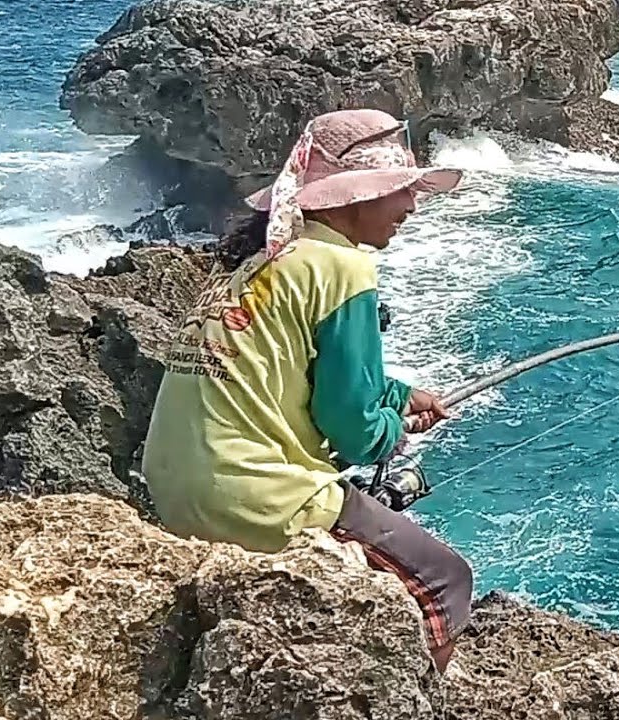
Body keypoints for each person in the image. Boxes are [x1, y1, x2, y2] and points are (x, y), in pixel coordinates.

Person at [141, 108, 472, 673]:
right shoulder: (343, 267)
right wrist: (391, 430)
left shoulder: (258, 262)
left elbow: (287, 371)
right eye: (398, 192)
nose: (411, 207)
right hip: (251, 497)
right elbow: (354, 430)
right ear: (351, 198)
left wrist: (397, 395)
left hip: (172, 489)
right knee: (445, 582)